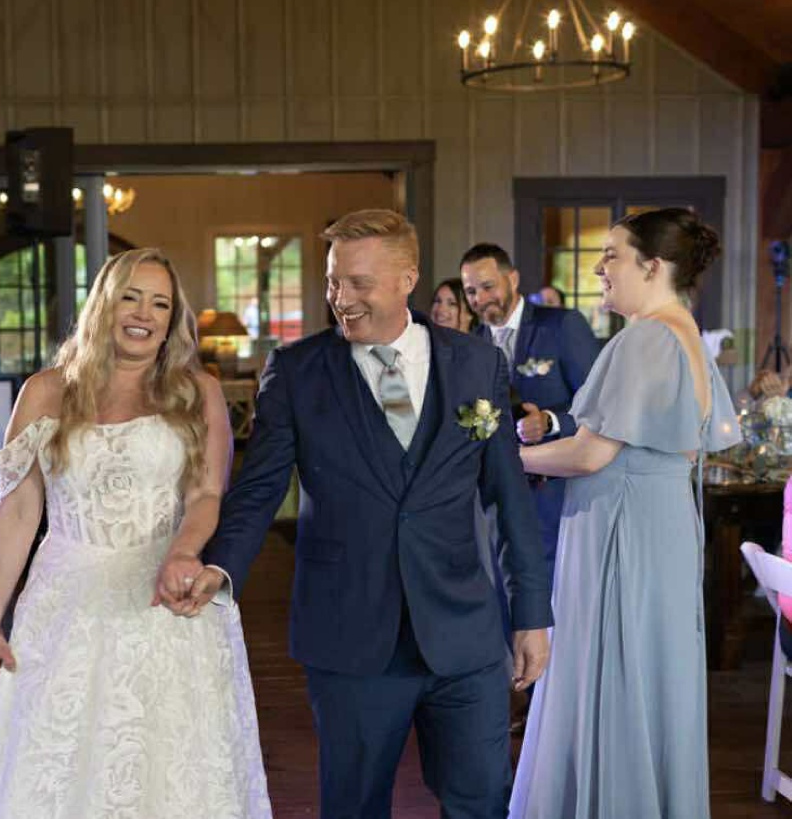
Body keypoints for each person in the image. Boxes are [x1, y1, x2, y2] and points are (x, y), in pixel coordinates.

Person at [185, 210, 552, 818]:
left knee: (483, 799)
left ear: (407, 278)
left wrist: (532, 614)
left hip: (465, 634)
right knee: (354, 807)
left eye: (358, 283)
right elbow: (259, 490)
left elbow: (511, 497)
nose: (340, 299)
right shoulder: (298, 371)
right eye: (334, 282)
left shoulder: (476, 364)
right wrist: (219, 569)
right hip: (349, 636)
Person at [0, 248, 270, 817]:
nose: (144, 313)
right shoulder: (45, 390)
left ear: (172, 318)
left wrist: (183, 553)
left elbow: (206, 495)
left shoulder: (197, 390)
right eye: (131, 296)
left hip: (164, 598)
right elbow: (17, 509)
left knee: (167, 764)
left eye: (160, 303)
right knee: (58, 761)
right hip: (66, 602)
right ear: (104, 304)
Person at [508, 209, 741, 819]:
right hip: (658, 525)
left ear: (653, 266)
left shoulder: (644, 337)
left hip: (623, 531)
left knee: (614, 675)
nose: (599, 267)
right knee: (647, 674)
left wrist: (506, 456)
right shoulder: (683, 330)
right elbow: (679, 447)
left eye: (612, 255)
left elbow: (590, 453)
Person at [460, 244, 600, 577]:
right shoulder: (471, 342)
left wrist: (550, 422)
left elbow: (598, 407)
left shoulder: (561, 326)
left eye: (488, 286)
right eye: (470, 291)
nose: (480, 298)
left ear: (513, 279)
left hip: (555, 497)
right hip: (495, 501)